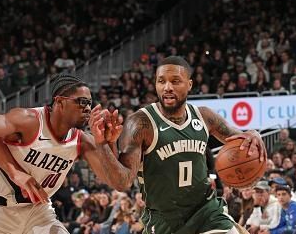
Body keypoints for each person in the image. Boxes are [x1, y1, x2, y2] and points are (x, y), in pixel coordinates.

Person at [114, 56, 266, 234]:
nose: (167, 87)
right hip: (165, 219)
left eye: (175, 81)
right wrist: (106, 144)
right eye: (161, 81)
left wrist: (254, 134)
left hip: (206, 211)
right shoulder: (140, 123)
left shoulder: (204, 116)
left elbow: (241, 139)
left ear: (190, 84)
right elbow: (123, 180)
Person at [0, 73, 127, 234]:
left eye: (90, 103)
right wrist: (15, 172)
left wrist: (108, 143)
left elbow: (117, 182)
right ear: (59, 102)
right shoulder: (29, 121)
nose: (87, 108)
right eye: (82, 102)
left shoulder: (81, 141)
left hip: (38, 212)